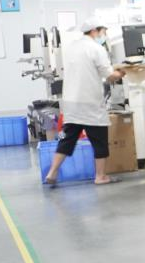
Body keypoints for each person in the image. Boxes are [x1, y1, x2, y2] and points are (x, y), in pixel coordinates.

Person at [44, 23, 124, 186]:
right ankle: (100, 176)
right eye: (104, 31)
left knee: (66, 139)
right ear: (95, 30)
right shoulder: (96, 48)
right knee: (99, 141)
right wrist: (122, 72)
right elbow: (109, 75)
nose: (104, 35)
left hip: (72, 103)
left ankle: (52, 172)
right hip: (90, 103)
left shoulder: (72, 47)